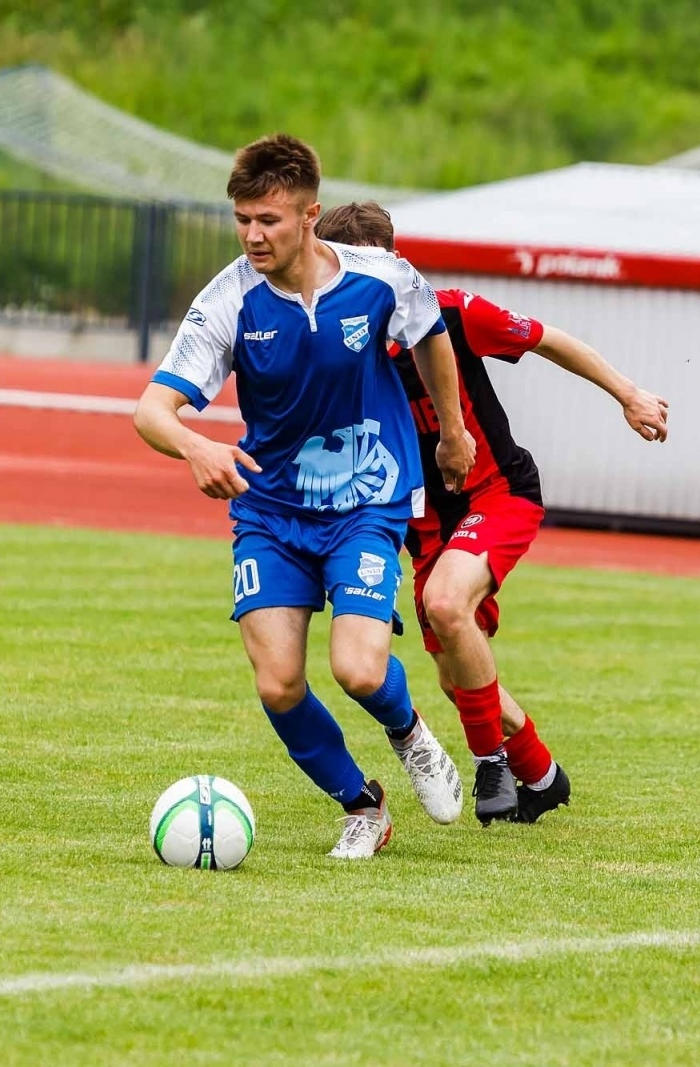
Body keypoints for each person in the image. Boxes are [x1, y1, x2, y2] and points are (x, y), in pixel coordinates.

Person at [133, 136, 478, 859]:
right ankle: (362, 804)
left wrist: (451, 432)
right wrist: (197, 444)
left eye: (270, 219)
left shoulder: (380, 278)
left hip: (366, 498)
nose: (254, 235)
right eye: (243, 220)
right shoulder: (229, 298)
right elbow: (151, 411)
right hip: (271, 512)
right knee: (280, 682)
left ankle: (410, 732)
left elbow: (431, 335)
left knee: (358, 669)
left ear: (310, 216)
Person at [313, 200, 669, 825]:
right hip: (424, 527)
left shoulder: (451, 312)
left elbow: (547, 339)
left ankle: (488, 764)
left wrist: (629, 394)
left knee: (448, 606)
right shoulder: (337, 341)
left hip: (496, 494)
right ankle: (541, 773)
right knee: (458, 678)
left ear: (395, 265)